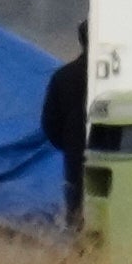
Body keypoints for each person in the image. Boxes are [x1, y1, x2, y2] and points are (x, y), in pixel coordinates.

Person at [41, 49, 91, 226]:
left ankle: (80, 250)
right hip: (118, 152)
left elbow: (49, 123)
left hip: (75, 157)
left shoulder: (63, 76)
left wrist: (69, 145)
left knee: (77, 210)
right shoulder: (115, 77)